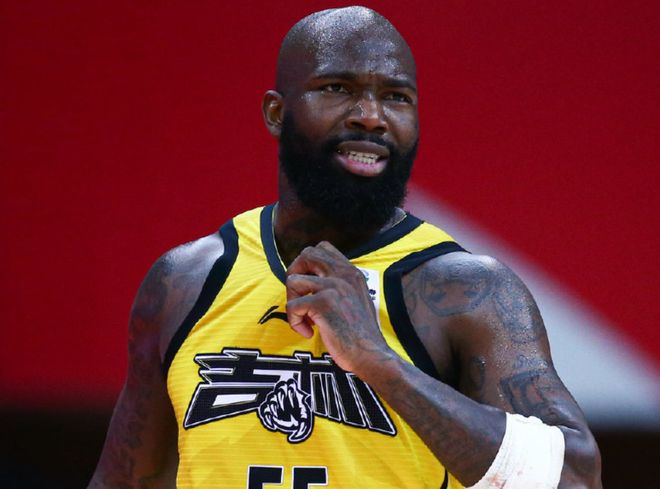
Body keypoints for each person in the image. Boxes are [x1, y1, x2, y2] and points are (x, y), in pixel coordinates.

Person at [88, 6, 601, 489]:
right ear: (276, 113)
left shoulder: (466, 290)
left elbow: (576, 478)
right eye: (337, 88)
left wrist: (378, 362)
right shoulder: (186, 281)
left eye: (396, 97)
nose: (371, 116)